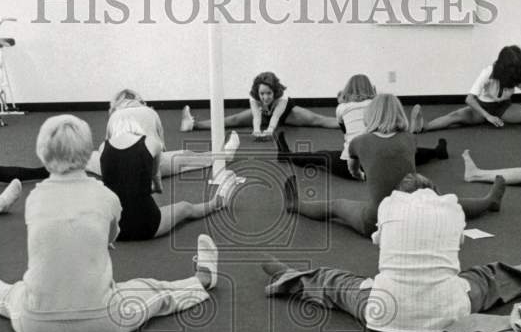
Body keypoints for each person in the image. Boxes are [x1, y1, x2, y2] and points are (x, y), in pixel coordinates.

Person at [0, 115, 220, 332]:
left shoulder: (35, 198)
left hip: (36, 328)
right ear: (87, 155)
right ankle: (201, 281)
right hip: (104, 322)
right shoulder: (106, 196)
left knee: (11, 295)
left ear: (43, 154)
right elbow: (111, 236)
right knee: (153, 290)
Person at [262, 172, 521, 332]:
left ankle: (288, 276)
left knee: (334, 282)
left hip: (383, 310)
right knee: (487, 277)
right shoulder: (452, 207)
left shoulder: (388, 206)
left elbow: (378, 241)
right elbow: (459, 243)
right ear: (433, 192)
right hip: (448, 312)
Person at [283, 93, 506, 236]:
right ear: (399, 113)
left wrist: (362, 174)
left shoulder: (358, 142)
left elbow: (353, 169)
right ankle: (489, 202)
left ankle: (295, 204)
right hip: (416, 212)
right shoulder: (409, 138)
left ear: (370, 115)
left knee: (336, 205)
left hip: (378, 220)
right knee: (448, 201)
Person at [276, 73, 448, 179]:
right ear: (371, 88)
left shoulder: (341, 108)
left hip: (355, 162)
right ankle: (437, 151)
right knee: (411, 152)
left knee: (322, 156)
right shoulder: (378, 103)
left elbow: (345, 132)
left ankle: (287, 155)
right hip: (385, 159)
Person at [100, 122, 238, 240]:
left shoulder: (102, 148)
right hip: (147, 225)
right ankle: (217, 202)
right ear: (138, 133)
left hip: (111, 230)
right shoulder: (151, 143)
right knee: (186, 207)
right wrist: (156, 187)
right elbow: (156, 179)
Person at [412, 45, 521, 131]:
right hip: (482, 108)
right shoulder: (488, 73)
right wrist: (488, 116)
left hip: (504, 108)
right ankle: (423, 126)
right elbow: (469, 99)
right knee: (455, 116)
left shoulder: (514, 76)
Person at [85, 89, 240, 187]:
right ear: (140, 101)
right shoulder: (149, 112)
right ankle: (223, 155)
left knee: (88, 157)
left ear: (115, 105)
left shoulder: (114, 117)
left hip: (114, 171)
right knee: (187, 156)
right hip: (146, 166)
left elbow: (107, 149)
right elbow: (160, 146)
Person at [180, 71, 339, 139]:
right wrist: (256, 130)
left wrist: (270, 130)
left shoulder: (282, 99)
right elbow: (257, 116)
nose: (265, 97)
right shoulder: (255, 98)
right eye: (262, 93)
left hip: (286, 113)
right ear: (257, 92)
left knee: (316, 120)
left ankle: (346, 123)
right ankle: (194, 125)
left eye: (269, 93)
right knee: (233, 120)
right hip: (264, 114)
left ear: (275, 91)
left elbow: (276, 116)